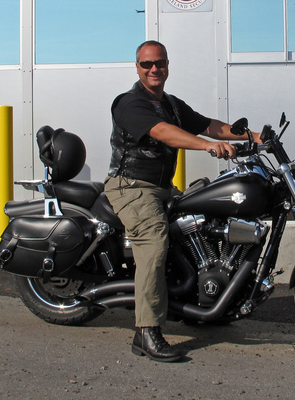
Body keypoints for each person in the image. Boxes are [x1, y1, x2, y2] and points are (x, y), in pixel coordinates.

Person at [104, 40, 259, 362]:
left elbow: (210, 126)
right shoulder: (129, 103)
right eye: (147, 64)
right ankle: (146, 331)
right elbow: (162, 132)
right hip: (132, 186)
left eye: (159, 63)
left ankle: (198, 302)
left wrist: (255, 137)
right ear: (137, 67)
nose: (154, 69)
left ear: (167, 65)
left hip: (163, 187)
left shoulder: (171, 104)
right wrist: (205, 146)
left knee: (203, 222)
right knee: (154, 242)